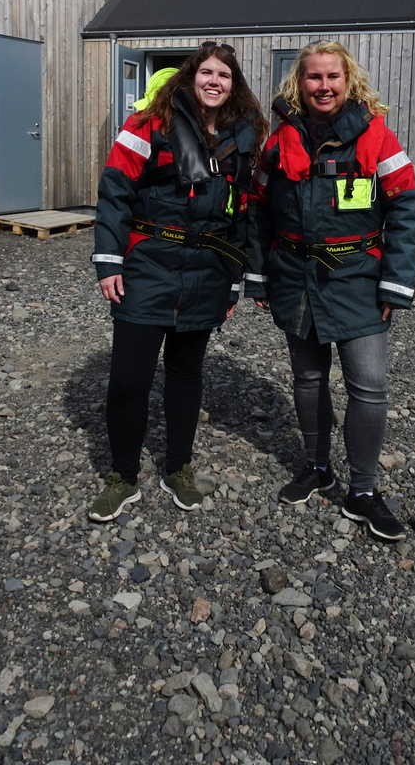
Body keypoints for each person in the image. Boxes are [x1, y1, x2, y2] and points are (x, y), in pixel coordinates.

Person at [245, 41, 415, 541]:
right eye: (313, 77)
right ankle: (317, 466)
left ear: (349, 82)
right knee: (307, 378)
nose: (323, 86)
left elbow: (406, 212)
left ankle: (363, 490)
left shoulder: (377, 139)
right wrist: (259, 275)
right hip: (296, 280)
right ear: (298, 84)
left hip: (359, 282)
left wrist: (396, 282)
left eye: (332, 77)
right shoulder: (278, 143)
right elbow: (258, 209)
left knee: (368, 385)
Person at [89, 43, 266, 522]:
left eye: (224, 75)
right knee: (130, 380)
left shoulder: (244, 136)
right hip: (147, 264)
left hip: (209, 270)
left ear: (235, 83)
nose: (214, 81)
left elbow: (244, 212)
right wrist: (109, 261)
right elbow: (114, 192)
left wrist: (236, 280)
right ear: (190, 77)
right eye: (206, 72)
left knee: (187, 375)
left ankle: (178, 467)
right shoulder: (148, 124)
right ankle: (122, 476)